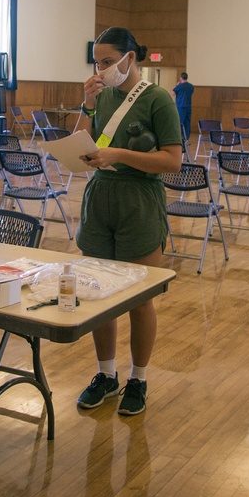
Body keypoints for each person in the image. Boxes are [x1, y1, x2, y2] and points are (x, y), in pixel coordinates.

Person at [74, 27, 182, 416]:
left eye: (107, 62)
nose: (101, 70)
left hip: (139, 199)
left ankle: (138, 378)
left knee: (139, 297)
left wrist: (119, 155)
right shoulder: (99, 96)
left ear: (129, 58)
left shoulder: (157, 100)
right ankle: (106, 375)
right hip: (101, 197)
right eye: (96, 62)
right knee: (97, 293)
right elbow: (82, 145)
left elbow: (172, 161)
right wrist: (86, 106)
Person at [172, 72, 194, 140]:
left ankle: (180, 137)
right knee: (187, 122)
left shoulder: (179, 86)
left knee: (180, 122)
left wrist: (177, 85)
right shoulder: (191, 86)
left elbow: (173, 93)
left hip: (181, 106)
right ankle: (186, 137)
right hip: (188, 106)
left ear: (181, 78)